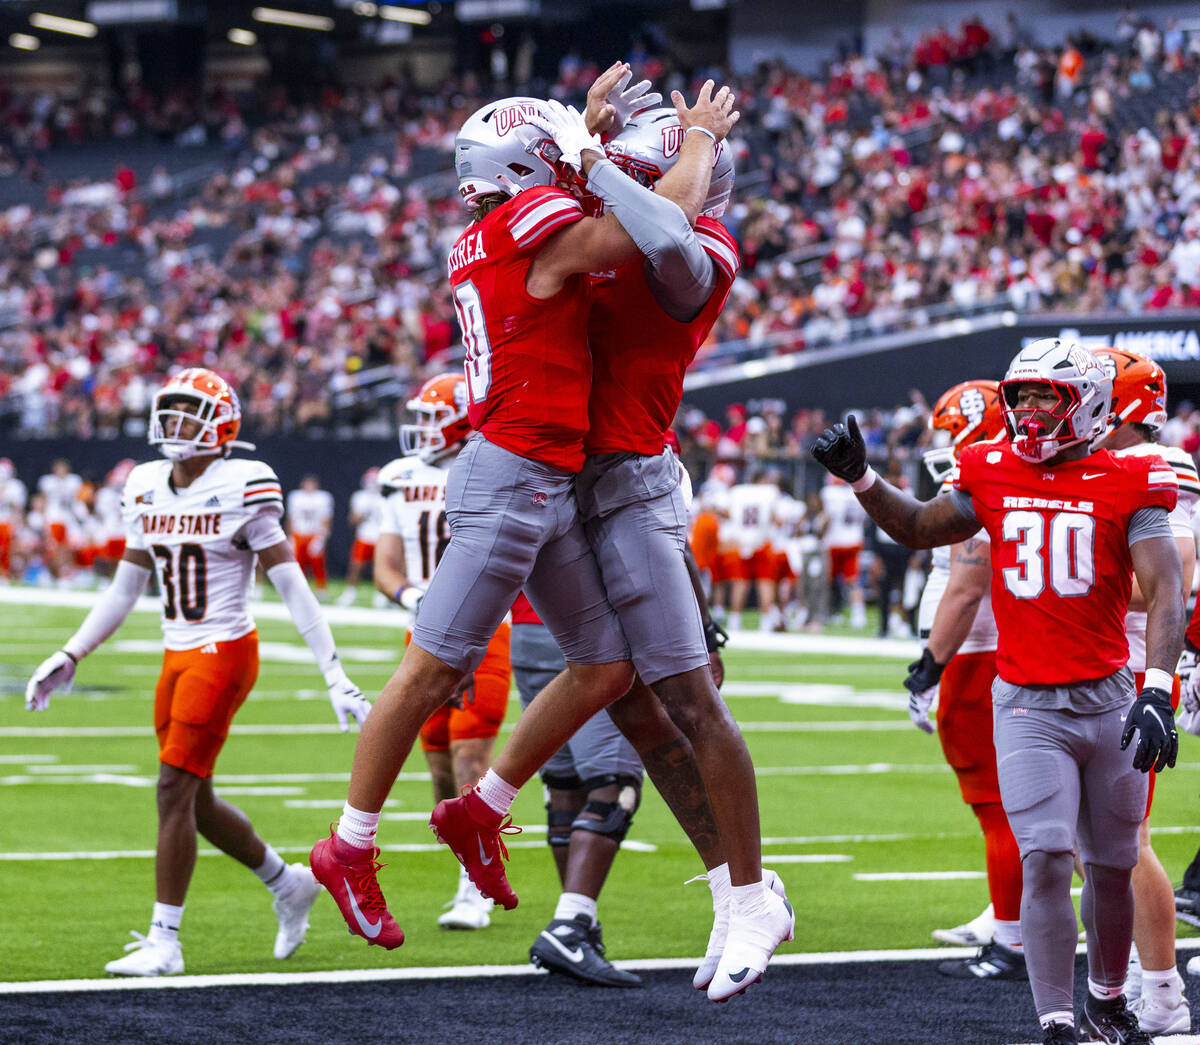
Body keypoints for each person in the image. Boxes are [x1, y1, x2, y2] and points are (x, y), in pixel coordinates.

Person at [308, 73, 750, 977]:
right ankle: (348, 845)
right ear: (531, 168)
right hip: (514, 472)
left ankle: (480, 808)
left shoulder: (493, 225)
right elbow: (652, 226)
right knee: (433, 668)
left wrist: (577, 141)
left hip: (548, 479)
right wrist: (645, 147)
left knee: (605, 666)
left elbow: (607, 224)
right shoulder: (524, 226)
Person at [812, 338, 1183, 1045]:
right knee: (1043, 854)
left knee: (1111, 865)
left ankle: (1107, 999)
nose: (1031, 410)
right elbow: (920, 526)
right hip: (1024, 702)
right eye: (1020, 396)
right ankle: (1055, 1020)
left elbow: (1168, 586)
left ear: (1090, 403)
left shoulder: (1133, 478)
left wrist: (1158, 687)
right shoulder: (989, 466)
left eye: (1046, 395)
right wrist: (862, 478)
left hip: (1108, 697)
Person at [25, 368, 370, 977]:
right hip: (175, 651)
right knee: (196, 799)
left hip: (224, 650)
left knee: (171, 789)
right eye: (171, 411)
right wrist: (72, 652)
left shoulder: (245, 481)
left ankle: (166, 940)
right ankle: (288, 884)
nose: (174, 424)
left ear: (222, 424)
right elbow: (126, 587)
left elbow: (292, 587)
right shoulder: (145, 483)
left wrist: (334, 672)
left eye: (189, 413)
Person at [371, 373, 513, 931]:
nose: (421, 430)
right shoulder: (400, 477)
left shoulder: (485, 465)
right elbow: (386, 567)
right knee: (437, 773)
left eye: (432, 418)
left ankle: (475, 888)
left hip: (484, 631)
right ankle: (471, 870)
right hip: (423, 633)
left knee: (470, 762)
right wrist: (414, 594)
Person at [903, 379, 1025, 978]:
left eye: (952, 429)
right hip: (994, 649)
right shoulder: (1009, 467)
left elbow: (968, 584)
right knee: (1021, 810)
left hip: (979, 653)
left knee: (1005, 807)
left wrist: (931, 664)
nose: (945, 442)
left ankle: (1013, 934)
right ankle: (1009, 914)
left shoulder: (986, 473)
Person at [1092, 347, 1196, 1035]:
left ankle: (1162, 995)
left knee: (1127, 840)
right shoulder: (1114, 463)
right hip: (1107, 660)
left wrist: (1081, 576)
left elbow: (1174, 573)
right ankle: (1135, 968)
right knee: (1100, 844)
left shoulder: (1163, 467)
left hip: (1138, 664)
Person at [511, 592, 643, 987]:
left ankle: (579, 925)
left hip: (528, 635)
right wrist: (703, 631)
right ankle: (570, 926)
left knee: (564, 787)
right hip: (592, 632)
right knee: (614, 787)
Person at [337, 468, 384, 607]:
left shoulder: (385, 498)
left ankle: (380, 596)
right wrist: (364, 512)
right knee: (356, 566)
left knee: (381, 568)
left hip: (381, 537)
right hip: (364, 536)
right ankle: (350, 593)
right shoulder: (360, 497)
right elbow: (352, 520)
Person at [286, 474, 334, 598]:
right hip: (299, 534)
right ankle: (297, 589)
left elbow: (326, 518)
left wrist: (321, 537)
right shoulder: (295, 497)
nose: (309, 487)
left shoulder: (323, 498)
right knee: (297, 564)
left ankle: (321, 590)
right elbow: (291, 518)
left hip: (314, 534)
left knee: (318, 564)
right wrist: (290, 536)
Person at [0, 458, 28, 581]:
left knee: (9, 549)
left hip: (7, 522)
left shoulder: (16, 486)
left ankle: (6, 574)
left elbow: (18, 508)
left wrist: (17, 525)